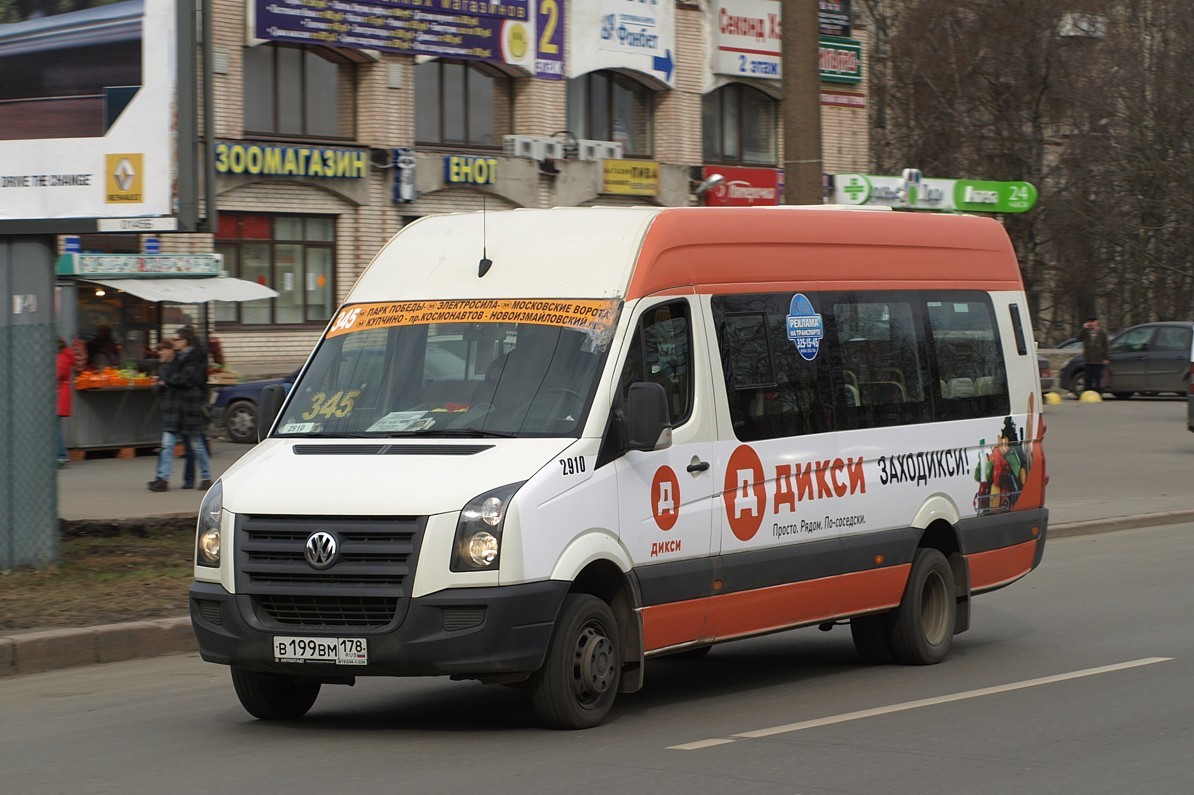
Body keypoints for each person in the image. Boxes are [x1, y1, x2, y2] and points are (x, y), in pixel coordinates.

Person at [148, 327, 211, 492]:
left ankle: (206, 477)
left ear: (185, 341)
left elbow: (188, 380)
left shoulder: (195, 358)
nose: (174, 342)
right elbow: (174, 379)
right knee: (167, 444)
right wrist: (170, 380)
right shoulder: (175, 358)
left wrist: (168, 381)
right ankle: (163, 479)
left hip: (190, 406)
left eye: (177, 339)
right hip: (175, 407)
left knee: (197, 445)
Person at [56, 337, 74, 467]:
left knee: (53, 428)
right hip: (60, 395)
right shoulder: (65, 356)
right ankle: (60, 455)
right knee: (54, 427)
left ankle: (61, 455)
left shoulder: (61, 357)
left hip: (57, 396)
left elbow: (57, 374)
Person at [1081, 315, 1110, 393]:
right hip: (1088, 360)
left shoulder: (1102, 333)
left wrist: (1106, 358)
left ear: (1096, 322)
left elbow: (1106, 346)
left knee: (1098, 378)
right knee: (1087, 378)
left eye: (1092, 322)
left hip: (1098, 360)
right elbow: (1078, 338)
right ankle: (1087, 393)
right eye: (1089, 322)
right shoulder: (1086, 332)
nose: (1091, 324)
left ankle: (1098, 394)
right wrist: (1084, 329)